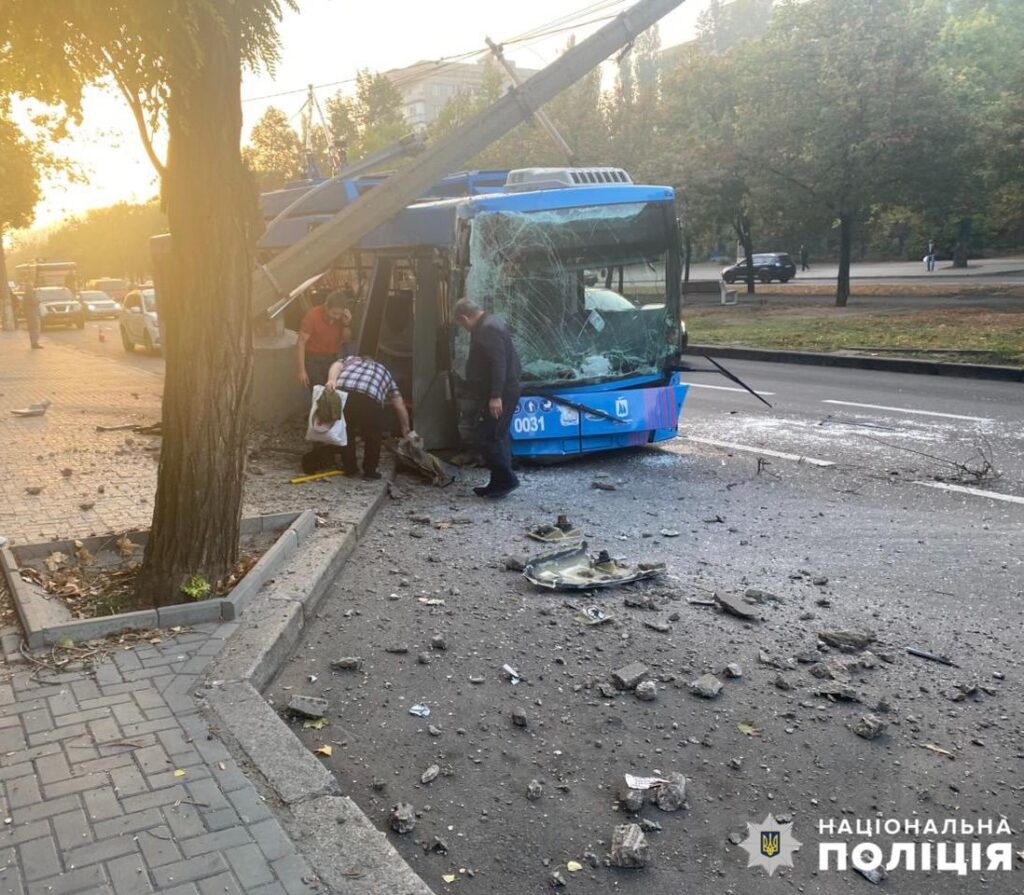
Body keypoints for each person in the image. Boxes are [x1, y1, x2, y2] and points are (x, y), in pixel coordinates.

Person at [453, 297, 522, 499]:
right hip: (502, 390)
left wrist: (495, 396)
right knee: (497, 434)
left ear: (464, 317)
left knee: (489, 436)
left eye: (461, 324)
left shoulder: (488, 329)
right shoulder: (490, 322)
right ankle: (498, 481)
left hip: (502, 392)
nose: (464, 328)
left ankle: (506, 479)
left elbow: (498, 364)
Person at [325, 354, 410, 480]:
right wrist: (405, 428)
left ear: (363, 358)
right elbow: (399, 405)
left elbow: (336, 365)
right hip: (370, 399)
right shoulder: (385, 373)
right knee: (373, 436)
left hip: (344, 394)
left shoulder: (351, 359)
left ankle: (350, 468)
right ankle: (370, 472)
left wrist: (331, 380)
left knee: (346, 432)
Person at [297, 291, 352, 389]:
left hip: (333, 358)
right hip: (314, 360)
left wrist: (346, 324)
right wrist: (302, 370)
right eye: (334, 313)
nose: (337, 317)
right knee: (319, 391)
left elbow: (346, 339)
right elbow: (301, 342)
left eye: (339, 314)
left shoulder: (341, 318)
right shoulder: (312, 316)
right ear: (326, 306)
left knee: (333, 390)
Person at [22, 281, 41, 349]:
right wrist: (38, 300)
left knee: (32, 329)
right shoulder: (31, 295)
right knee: (36, 329)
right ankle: (34, 343)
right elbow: (35, 301)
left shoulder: (25, 295)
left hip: (29, 314)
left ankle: (33, 343)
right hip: (33, 314)